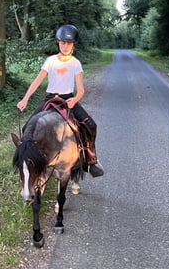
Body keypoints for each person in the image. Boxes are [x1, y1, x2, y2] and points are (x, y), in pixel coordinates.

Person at [17, 24, 104, 177]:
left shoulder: (75, 63)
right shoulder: (50, 61)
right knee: (27, 128)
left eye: (69, 43)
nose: (65, 46)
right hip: (50, 98)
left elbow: (81, 90)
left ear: (73, 45)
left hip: (68, 99)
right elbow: (37, 81)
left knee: (91, 125)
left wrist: (74, 99)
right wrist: (25, 99)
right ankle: (29, 163)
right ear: (58, 42)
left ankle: (90, 159)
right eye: (63, 43)